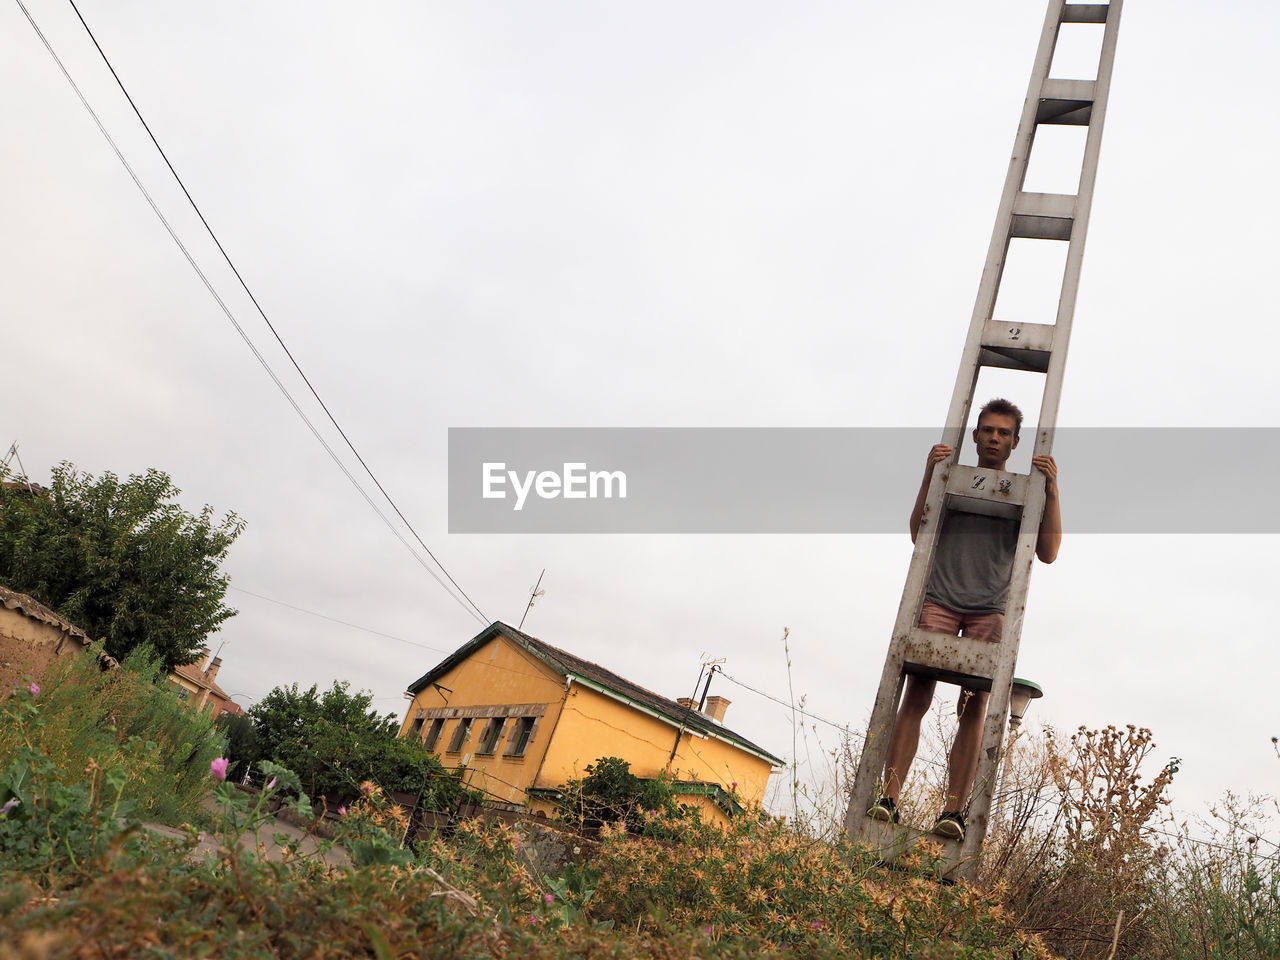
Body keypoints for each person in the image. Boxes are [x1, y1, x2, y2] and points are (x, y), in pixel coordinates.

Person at [868, 397, 1060, 840]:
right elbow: (920, 532)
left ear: (1014, 442)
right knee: (916, 692)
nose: (994, 438)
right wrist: (929, 476)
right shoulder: (954, 481)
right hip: (940, 598)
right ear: (975, 435)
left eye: (1003, 433)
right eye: (987, 430)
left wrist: (1052, 489)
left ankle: (952, 811)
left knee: (974, 708)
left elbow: (1048, 552)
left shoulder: (1024, 492)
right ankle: (888, 800)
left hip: (989, 608)